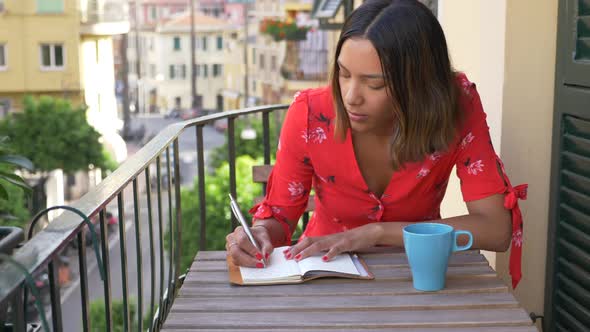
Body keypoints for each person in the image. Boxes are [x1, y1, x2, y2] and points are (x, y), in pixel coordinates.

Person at [226, 0, 527, 288]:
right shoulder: (310, 114)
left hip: (419, 277)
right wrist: (260, 233)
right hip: (326, 275)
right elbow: (279, 218)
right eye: (343, 74)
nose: (351, 96)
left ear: (419, 83)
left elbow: (497, 229)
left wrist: (376, 232)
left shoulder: (456, 105)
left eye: (375, 84)